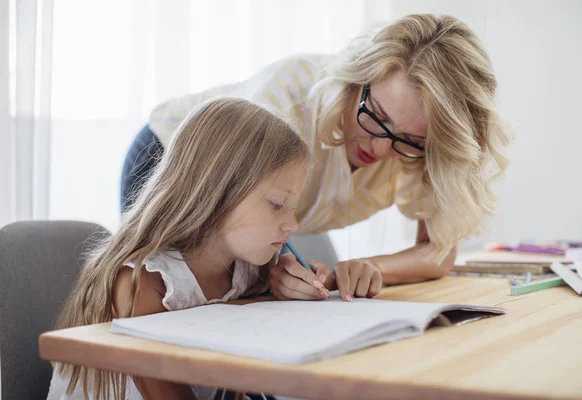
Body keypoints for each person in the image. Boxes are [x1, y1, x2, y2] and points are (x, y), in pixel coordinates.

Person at [121, 14, 510, 301]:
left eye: (410, 140)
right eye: (376, 117)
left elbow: (437, 251)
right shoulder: (286, 99)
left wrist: (368, 268)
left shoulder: (423, 151)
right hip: (180, 161)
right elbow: (235, 212)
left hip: (251, 215)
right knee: (169, 300)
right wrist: (275, 267)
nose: (379, 150)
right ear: (357, 80)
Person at [48, 98, 371, 400]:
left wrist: (297, 291)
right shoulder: (143, 283)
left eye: (293, 207)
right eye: (276, 204)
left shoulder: (248, 269)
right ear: (216, 193)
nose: (293, 224)